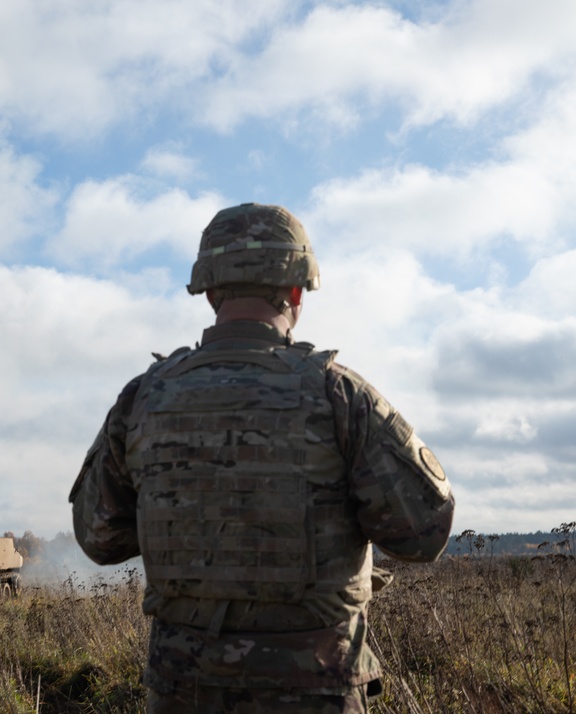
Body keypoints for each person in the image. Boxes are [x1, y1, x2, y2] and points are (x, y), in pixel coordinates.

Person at [69, 203, 455, 713]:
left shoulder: (142, 399)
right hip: (315, 690)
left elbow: (99, 538)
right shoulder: (338, 395)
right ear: (296, 291)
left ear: (209, 291)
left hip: (184, 688)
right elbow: (423, 534)